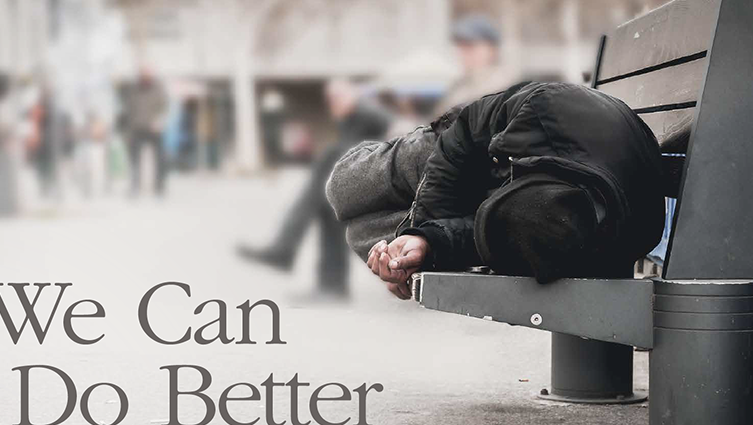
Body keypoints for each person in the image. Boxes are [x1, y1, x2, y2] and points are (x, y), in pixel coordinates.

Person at [327, 82, 665, 299]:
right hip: (471, 150)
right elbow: (466, 127)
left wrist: (426, 247)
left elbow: (484, 238)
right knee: (343, 186)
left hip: (544, 191)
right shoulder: (548, 110)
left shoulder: (554, 238)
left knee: (362, 232)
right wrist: (427, 225)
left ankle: (403, 247)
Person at [239, 79, 391, 298]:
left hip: (378, 184)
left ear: (353, 96)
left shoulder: (367, 114)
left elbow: (376, 138)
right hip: (357, 183)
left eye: (337, 98)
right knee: (327, 204)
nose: (333, 104)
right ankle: (329, 284)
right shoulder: (352, 120)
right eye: (331, 100)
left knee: (326, 174)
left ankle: (287, 250)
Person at [433, 14, 517, 115]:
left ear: (492, 50)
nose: (464, 53)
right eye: (461, 47)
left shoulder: (505, 89)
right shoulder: (458, 87)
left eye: (470, 46)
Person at [124, 67, 168, 196]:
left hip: (154, 128)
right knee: (134, 159)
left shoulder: (158, 88)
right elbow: (129, 109)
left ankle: (159, 186)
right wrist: (129, 129)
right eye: (142, 74)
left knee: (160, 157)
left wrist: (159, 120)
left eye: (146, 74)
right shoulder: (134, 89)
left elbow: (164, 106)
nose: (144, 77)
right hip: (137, 128)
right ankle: (135, 185)